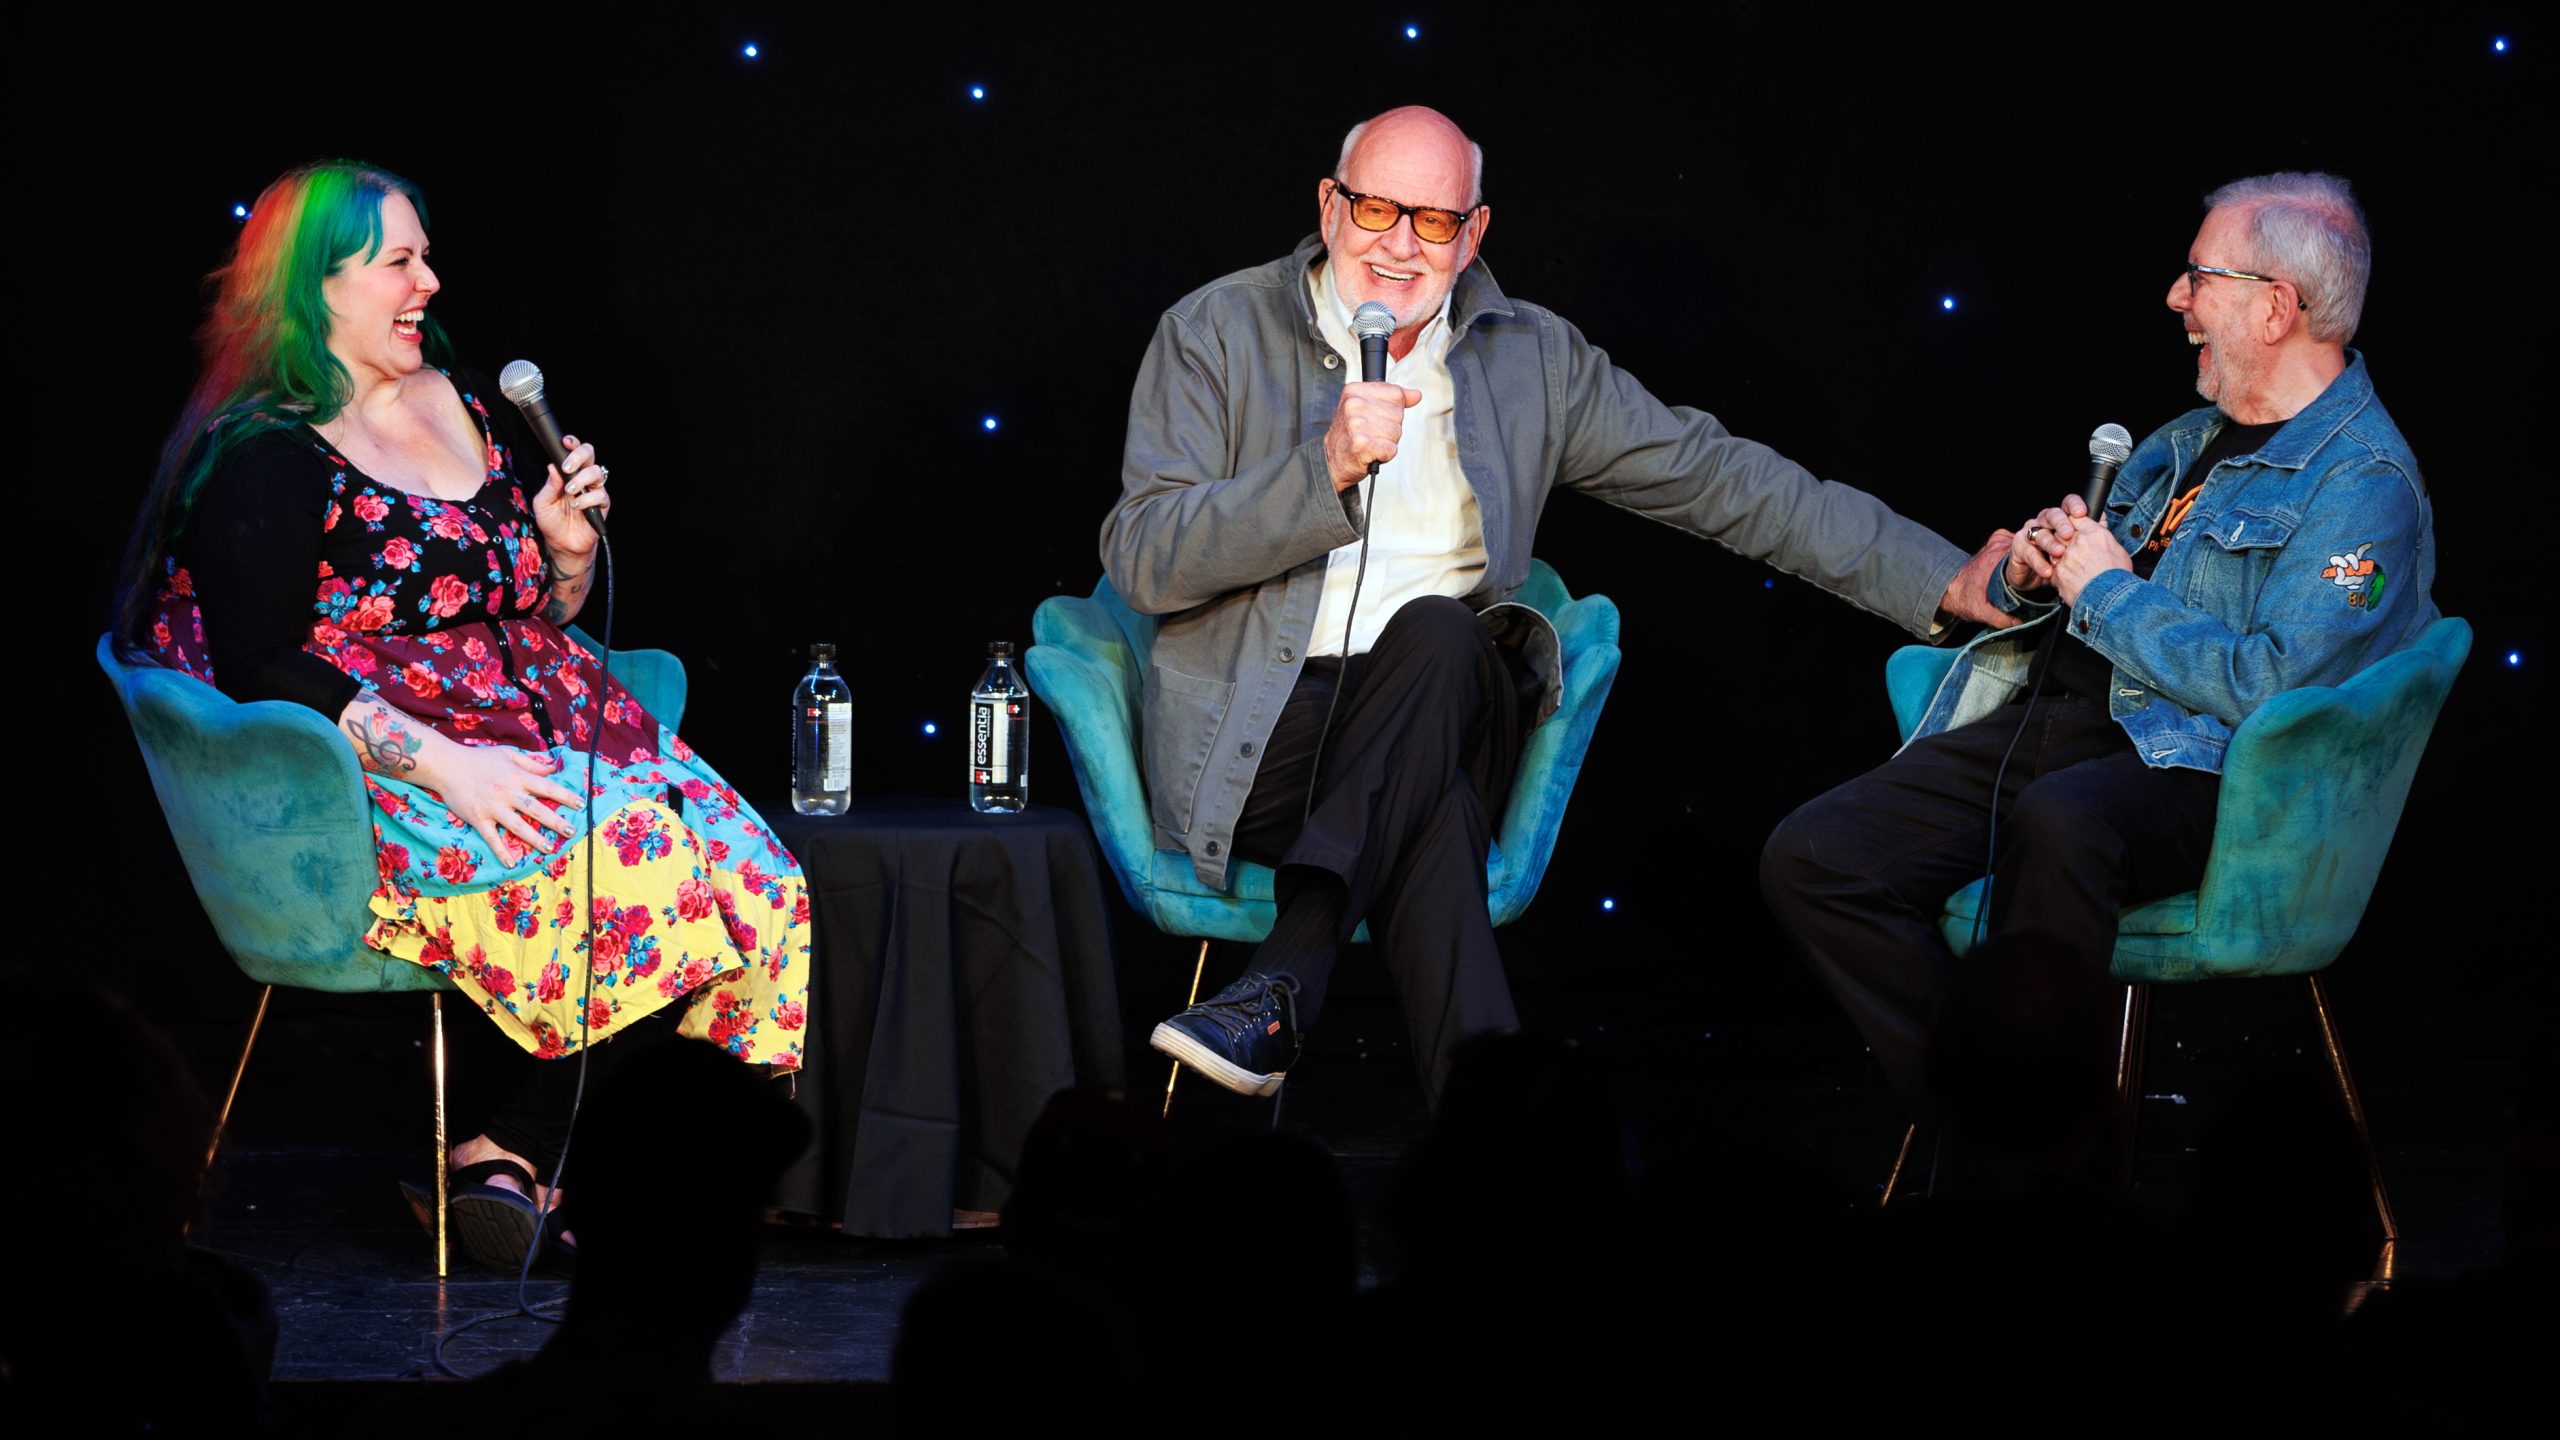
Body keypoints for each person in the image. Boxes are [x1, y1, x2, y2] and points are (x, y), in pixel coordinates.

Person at [1103, 106, 2015, 1104]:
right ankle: (1508, 1164)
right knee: (1430, 815)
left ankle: (1282, 980)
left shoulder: (1532, 360)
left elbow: (1724, 480)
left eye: (1435, 222)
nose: (1400, 245)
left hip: (1447, 691)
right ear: (1329, 207)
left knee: (1440, 635)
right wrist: (1319, 469)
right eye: (1375, 209)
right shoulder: (1212, 332)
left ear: (1475, 233)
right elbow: (1145, 562)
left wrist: (1940, 578)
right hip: (1261, 747)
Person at [115, 160, 812, 1270]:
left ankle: (559, 1168)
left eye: (425, 255)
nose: (428, 281)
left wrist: (568, 554)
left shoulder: (468, 401)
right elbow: (255, 664)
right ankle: (513, 1153)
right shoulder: (267, 452)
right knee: (633, 870)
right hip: (373, 763)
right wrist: (445, 766)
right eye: (398, 261)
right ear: (314, 287)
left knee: (765, 892)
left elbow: (535, 606)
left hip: (554, 719)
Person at [1760, 172, 2437, 1122]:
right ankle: (2000, 1120)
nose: (2175, 298)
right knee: (1815, 858)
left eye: (2198, 275)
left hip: (2200, 767)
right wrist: (2037, 577)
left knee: (2062, 820)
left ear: (2276, 306)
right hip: (2064, 720)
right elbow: (2089, 587)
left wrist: (2108, 589)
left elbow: (2275, 687)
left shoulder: (2364, 484)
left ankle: (2032, 1165)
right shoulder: (2183, 438)